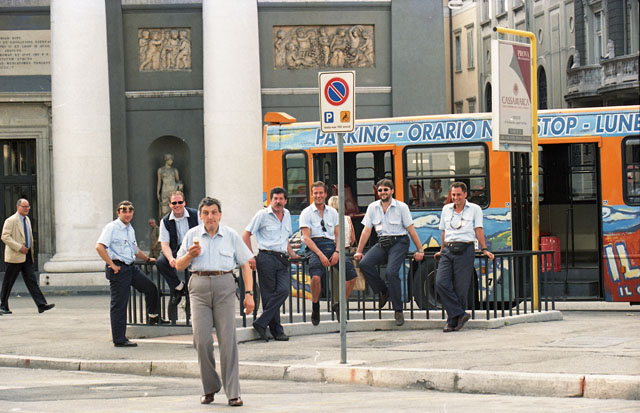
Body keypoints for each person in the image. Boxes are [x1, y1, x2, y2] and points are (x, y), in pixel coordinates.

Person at [176, 197, 254, 407]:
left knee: (228, 340)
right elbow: (179, 265)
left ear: (220, 215)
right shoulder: (192, 235)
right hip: (198, 287)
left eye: (213, 212)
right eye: (206, 213)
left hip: (224, 285)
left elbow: (245, 265)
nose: (210, 217)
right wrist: (190, 255)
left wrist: (249, 294)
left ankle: (233, 393)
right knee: (201, 340)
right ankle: (210, 387)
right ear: (200, 216)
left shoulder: (230, 235)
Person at [354, 179, 424, 326]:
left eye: (386, 190)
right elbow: (366, 231)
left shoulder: (401, 207)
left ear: (392, 191)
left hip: (399, 242)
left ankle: (398, 310)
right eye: (380, 190)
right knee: (365, 263)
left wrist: (420, 250)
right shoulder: (372, 207)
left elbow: (411, 229)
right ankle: (384, 291)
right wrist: (359, 251)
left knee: (391, 273)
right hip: (383, 242)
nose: (383, 193)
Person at [96, 200, 165, 348]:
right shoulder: (112, 227)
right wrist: (112, 264)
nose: (127, 213)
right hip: (118, 269)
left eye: (130, 210)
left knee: (151, 288)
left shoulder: (130, 228)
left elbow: (134, 249)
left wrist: (147, 259)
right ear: (118, 212)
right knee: (120, 305)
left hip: (130, 267)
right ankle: (119, 339)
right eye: (124, 210)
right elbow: (99, 247)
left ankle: (153, 316)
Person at [434, 182, 494, 333]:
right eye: (453, 195)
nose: (456, 198)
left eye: (459, 195)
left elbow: (478, 229)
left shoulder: (475, 209)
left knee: (461, 287)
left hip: (466, 248)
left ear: (465, 194)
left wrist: (484, 249)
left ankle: (452, 321)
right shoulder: (446, 209)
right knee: (440, 283)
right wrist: (441, 250)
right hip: (448, 249)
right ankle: (460, 314)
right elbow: (443, 231)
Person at [243, 187, 299, 342]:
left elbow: (284, 238)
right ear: (270, 200)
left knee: (284, 290)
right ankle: (277, 331)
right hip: (266, 257)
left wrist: (292, 254)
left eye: (281, 199)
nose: (278, 202)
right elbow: (246, 235)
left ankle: (261, 322)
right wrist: (250, 256)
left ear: (285, 201)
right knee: (268, 296)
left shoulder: (287, 214)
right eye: (275, 199)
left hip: (282, 258)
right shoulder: (262, 215)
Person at [299, 181, 357, 325]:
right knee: (316, 277)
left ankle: (340, 304)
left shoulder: (333, 212)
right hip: (314, 247)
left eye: (321, 193)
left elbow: (338, 234)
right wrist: (320, 255)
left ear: (325, 194)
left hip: (331, 246)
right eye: (315, 193)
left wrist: (337, 251)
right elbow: (306, 238)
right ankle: (315, 305)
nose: (318, 196)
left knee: (352, 276)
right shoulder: (306, 213)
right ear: (312, 195)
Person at [1, 199, 55, 315]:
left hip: (27, 256)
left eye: (28, 207)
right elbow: (5, 237)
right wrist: (19, 247)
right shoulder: (11, 221)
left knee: (32, 281)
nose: (27, 209)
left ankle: (41, 304)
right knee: (8, 282)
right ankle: (3, 305)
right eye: (24, 207)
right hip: (15, 257)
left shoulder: (27, 220)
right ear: (18, 207)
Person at [156, 191, 200, 320]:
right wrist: (171, 259)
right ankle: (178, 287)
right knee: (161, 262)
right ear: (170, 204)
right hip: (175, 250)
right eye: (174, 203)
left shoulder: (195, 215)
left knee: (195, 272)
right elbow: (165, 244)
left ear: (184, 203)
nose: (177, 205)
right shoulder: (165, 221)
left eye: (180, 202)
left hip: (193, 249)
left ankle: (191, 299)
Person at [156, 154, 181, 219]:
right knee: (164, 210)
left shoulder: (174, 170)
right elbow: (159, 182)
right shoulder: (160, 170)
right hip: (164, 191)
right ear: (166, 160)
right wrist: (158, 192)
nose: (171, 162)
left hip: (173, 191)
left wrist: (180, 186)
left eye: (172, 160)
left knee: (174, 209)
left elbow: (178, 181)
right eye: (170, 160)